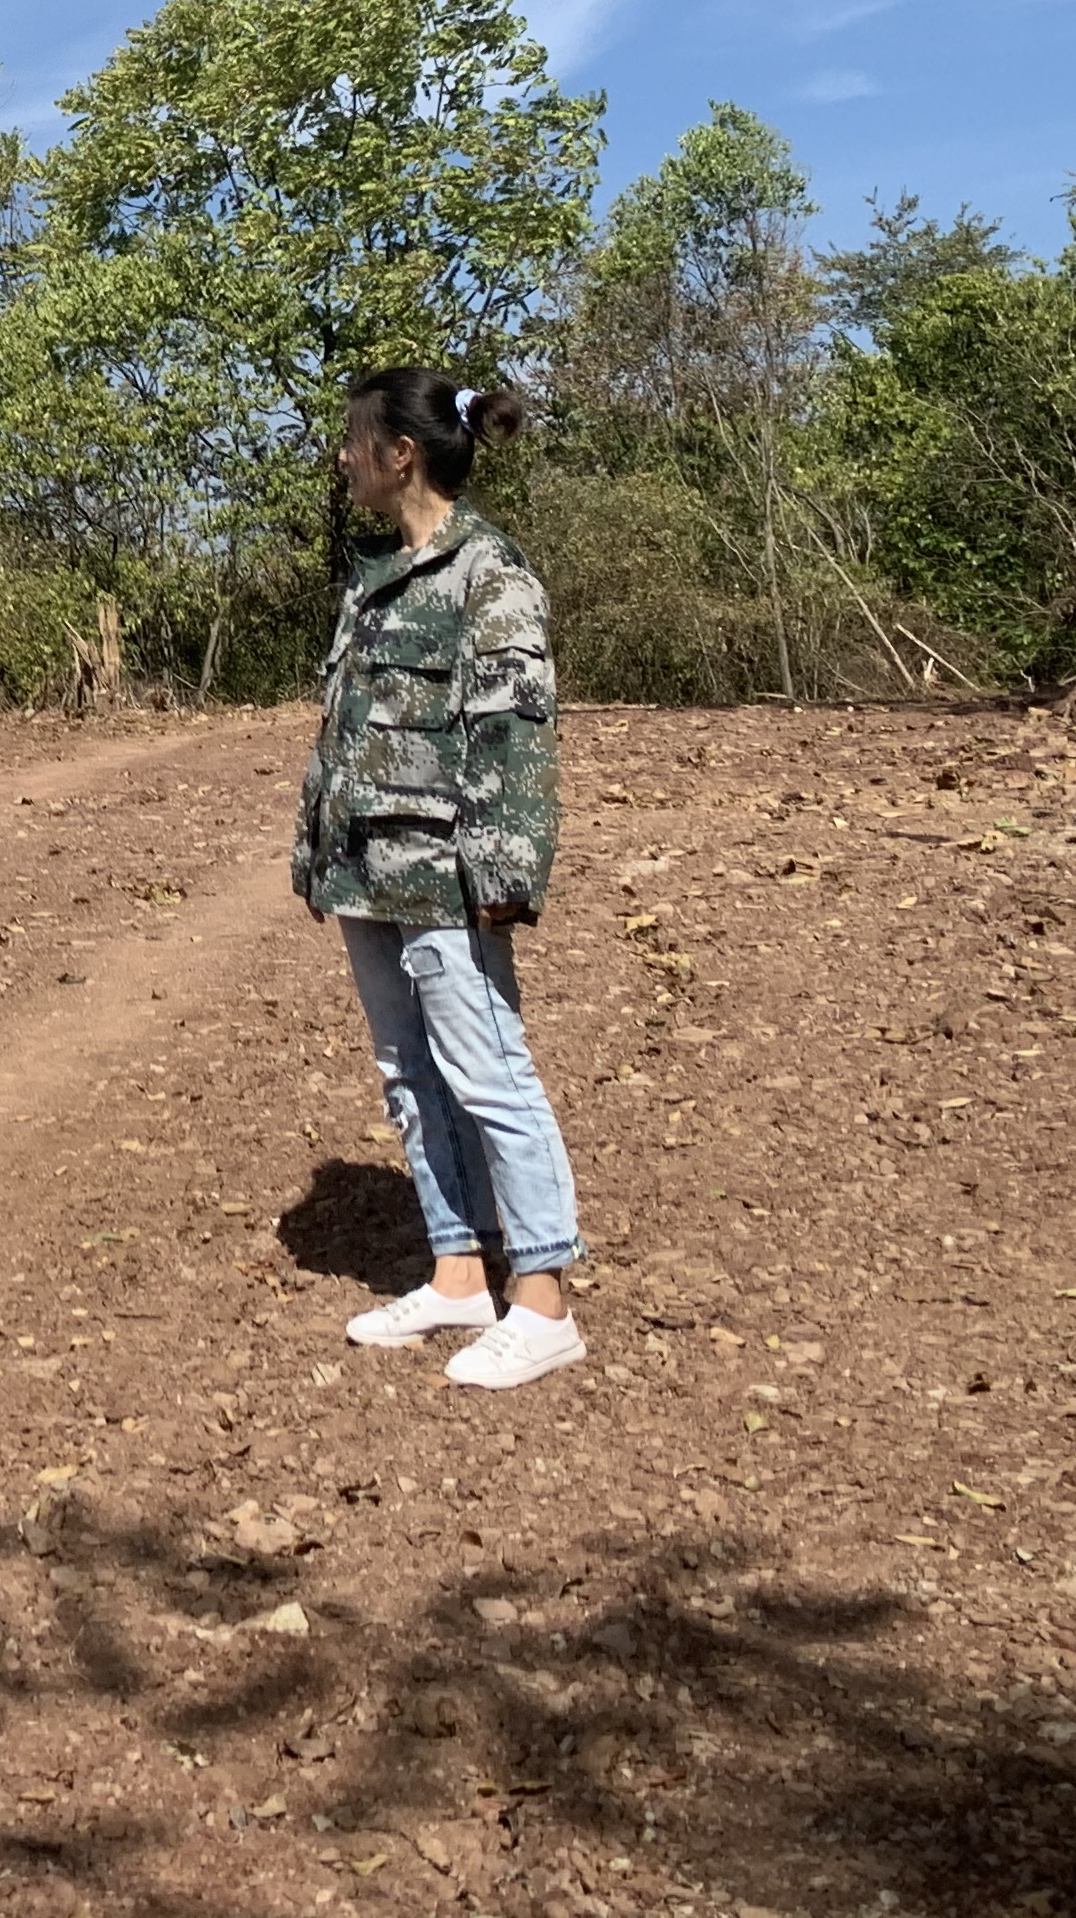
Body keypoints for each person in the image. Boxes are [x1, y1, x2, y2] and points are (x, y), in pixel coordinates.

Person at [295, 369, 586, 1389]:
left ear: (399, 454)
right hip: (366, 869)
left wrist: (505, 874)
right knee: (409, 1076)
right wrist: (315, 850)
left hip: (448, 878)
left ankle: (544, 1297)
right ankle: (459, 1272)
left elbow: (513, 739)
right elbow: (345, 734)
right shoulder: (376, 574)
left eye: (353, 439)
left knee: (488, 1072)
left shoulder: (491, 576)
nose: (343, 456)